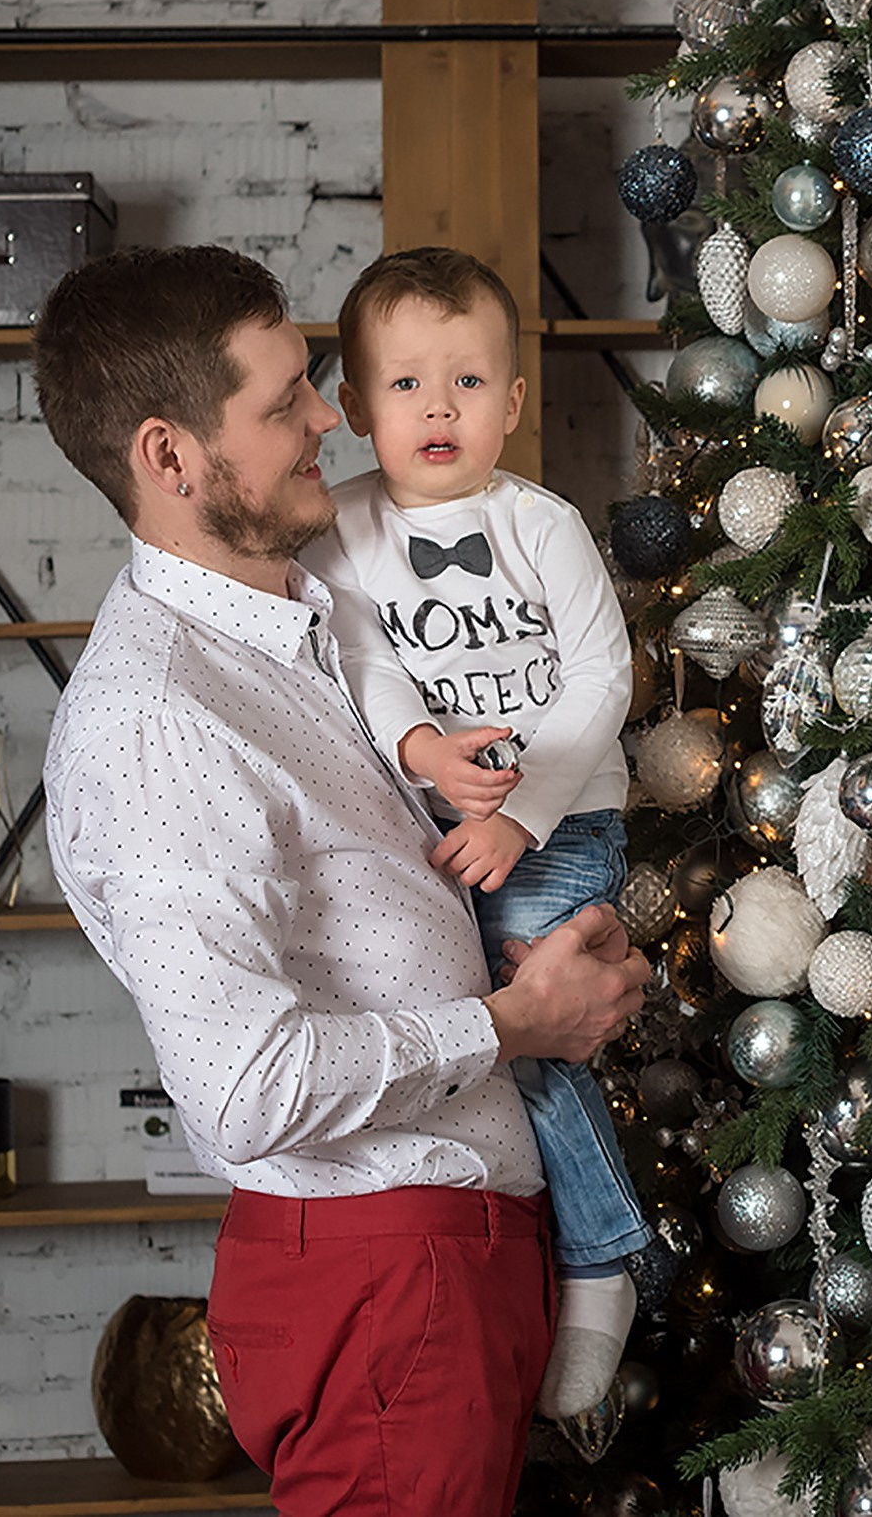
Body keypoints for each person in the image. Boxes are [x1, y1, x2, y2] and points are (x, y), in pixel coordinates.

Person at [34, 244, 649, 1517]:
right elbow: (246, 1088)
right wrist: (515, 1021)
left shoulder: (309, 619)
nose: (333, 415)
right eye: (285, 402)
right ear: (170, 456)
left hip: (441, 1261)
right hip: (383, 1282)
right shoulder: (160, 720)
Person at [303, 246, 654, 1422]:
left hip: (559, 823)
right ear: (355, 406)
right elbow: (361, 659)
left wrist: (526, 810)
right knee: (466, 1042)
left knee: (535, 1033)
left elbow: (604, 674)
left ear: (511, 401)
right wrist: (422, 751)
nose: (437, 407)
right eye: (405, 383)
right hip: (432, 826)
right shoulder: (340, 533)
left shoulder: (538, 523)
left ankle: (601, 1260)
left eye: (466, 381)